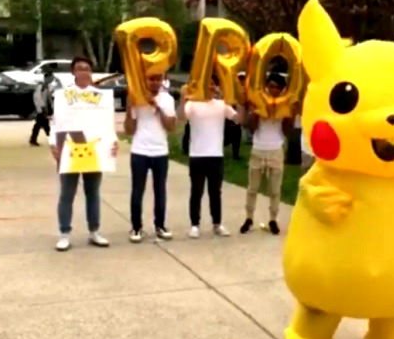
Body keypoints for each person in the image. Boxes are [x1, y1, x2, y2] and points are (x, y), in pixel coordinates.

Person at [49, 56, 117, 251]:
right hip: (70, 148)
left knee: (93, 192)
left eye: (87, 68)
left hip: (95, 149)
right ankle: (64, 233)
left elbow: (107, 123)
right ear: (73, 72)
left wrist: (112, 143)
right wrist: (53, 143)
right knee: (67, 194)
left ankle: (94, 231)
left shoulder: (101, 96)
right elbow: (57, 121)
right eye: (79, 68)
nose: (84, 72)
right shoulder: (63, 96)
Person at [179, 76, 244, 239]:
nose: (210, 87)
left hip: (215, 155)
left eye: (213, 84)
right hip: (197, 154)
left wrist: (241, 101)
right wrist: (182, 98)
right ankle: (195, 225)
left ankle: (217, 223)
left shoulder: (222, 105)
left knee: (215, 192)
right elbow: (180, 117)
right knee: (196, 191)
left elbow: (238, 119)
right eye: (207, 84)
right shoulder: (193, 104)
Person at [124, 72, 177, 243]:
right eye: (151, 79)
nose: (154, 83)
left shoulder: (167, 99)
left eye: (158, 79)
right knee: (137, 190)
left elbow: (170, 127)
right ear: (144, 80)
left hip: (160, 151)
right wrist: (129, 107)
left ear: (162, 81)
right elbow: (129, 130)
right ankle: (136, 227)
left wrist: (157, 107)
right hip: (140, 150)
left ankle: (160, 225)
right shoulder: (136, 97)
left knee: (160, 190)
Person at [240, 73, 293, 235]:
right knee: (252, 188)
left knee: (275, 189)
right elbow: (250, 127)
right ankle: (249, 217)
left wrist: (287, 116)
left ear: (282, 89)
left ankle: (273, 219)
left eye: (277, 87)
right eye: (271, 86)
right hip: (258, 148)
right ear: (267, 87)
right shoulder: (259, 102)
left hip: (276, 149)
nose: (273, 90)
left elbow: (287, 131)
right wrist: (256, 112)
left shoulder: (284, 105)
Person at [30, 71, 56, 146]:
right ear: (46, 78)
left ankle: (34, 139)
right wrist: (42, 107)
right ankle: (51, 138)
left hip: (44, 108)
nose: (51, 80)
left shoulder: (47, 87)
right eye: (50, 78)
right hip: (41, 108)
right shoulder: (41, 86)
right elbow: (37, 97)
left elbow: (49, 98)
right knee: (41, 124)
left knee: (42, 124)